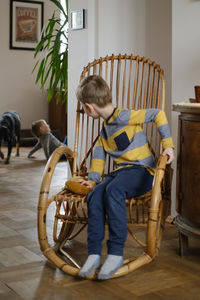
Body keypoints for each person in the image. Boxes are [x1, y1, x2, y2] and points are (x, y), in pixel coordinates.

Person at [75, 75, 175, 280]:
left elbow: (158, 114)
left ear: (89, 107)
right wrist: (92, 180)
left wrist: (168, 145)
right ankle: (93, 254)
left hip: (143, 173)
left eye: (84, 109)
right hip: (121, 174)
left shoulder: (125, 116)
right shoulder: (104, 131)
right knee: (95, 194)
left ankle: (115, 253)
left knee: (113, 190)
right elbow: (99, 157)